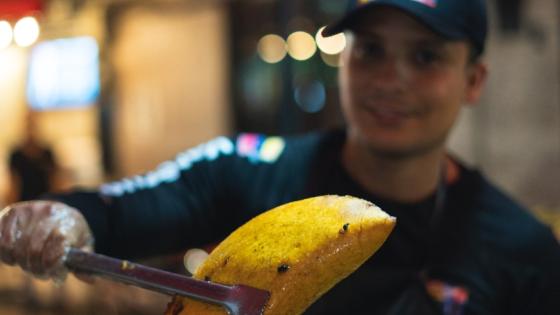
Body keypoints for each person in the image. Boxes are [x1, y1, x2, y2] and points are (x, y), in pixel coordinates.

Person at [1, 0, 559, 314]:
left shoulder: (520, 248)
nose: (392, 80)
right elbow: (119, 209)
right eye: (370, 51)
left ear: (474, 79)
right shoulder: (251, 169)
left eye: (426, 55)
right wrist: (62, 217)